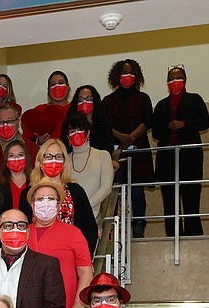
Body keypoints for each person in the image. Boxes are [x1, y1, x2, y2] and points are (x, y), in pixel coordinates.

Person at [26, 178, 94, 308]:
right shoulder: (23, 233)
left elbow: (86, 271)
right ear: (32, 205)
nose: (45, 203)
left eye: (51, 199)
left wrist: (79, 304)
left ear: (58, 206)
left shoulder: (73, 233)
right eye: (40, 199)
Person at [152, 64, 209, 237]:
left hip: (190, 157)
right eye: (171, 78)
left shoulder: (195, 99)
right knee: (170, 201)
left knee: (191, 198)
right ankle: (173, 236)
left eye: (178, 77)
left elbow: (204, 122)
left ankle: (194, 235)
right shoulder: (161, 105)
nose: (174, 81)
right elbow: (155, 132)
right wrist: (169, 127)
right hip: (167, 159)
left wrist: (184, 124)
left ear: (185, 80)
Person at [103, 58, 154, 239]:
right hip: (115, 153)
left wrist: (130, 137)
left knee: (137, 191)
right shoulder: (107, 101)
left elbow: (148, 121)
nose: (127, 76)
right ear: (117, 76)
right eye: (124, 72)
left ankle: (138, 226)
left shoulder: (143, 98)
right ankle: (114, 230)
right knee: (114, 191)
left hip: (138, 151)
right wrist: (121, 138)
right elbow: (104, 125)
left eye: (131, 72)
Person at [30, 138, 99, 254]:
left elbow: (90, 229)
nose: (53, 161)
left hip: (70, 256)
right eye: (48, 157)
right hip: (37, 258)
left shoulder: (76, 191)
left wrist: (84, 260)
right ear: (40, 163)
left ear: (64, 163)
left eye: (58, 157)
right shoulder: (29, 193)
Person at [64, 113, 115, 221]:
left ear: (88, 133)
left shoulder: (103, 155)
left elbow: (106, 187)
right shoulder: (64, 160)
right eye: (72, 131)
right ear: (68, 137)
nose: (76, 134)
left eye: (80, 130)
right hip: (68, 217)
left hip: (93, 216)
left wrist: (85, 207)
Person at [0, 139, 32, 255]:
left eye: (20, 155)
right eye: (11, 156)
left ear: (26, 158)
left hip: (31, 244)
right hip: (5, 246)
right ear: (6, 161)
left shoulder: (34, 186)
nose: (16, 159)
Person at [22, 70, 71, 146]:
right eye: (53, 84)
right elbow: (26, 139)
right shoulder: (39, 111)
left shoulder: (76, 108)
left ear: (68, 87)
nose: (57, 86)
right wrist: (38, 141)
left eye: (61, 83)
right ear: (48, 90)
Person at [62, 85, 114, 153]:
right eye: (81, 100)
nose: (84, 102)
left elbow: (108, 149)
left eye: (88, 99)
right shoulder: (70, 124)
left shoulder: (104, 125)